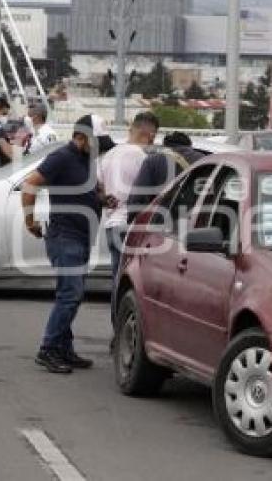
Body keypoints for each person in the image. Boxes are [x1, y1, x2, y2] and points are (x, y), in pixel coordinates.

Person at [21, 116, 100, 373]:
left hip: (82, 235)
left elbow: (87, 190)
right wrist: (29, 219)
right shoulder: (62, 157)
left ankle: (64, 348)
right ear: (81, 137)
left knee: (71, 296)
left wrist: (102, 198)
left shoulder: (86, 159)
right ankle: (48, 349)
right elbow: (30, 183)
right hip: (64, 236)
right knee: (70, 295)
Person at [98, 111, 159, 321]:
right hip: (129, 225)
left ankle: (116, 326)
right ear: (150, 134)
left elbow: (99, 188)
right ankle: (124, 327)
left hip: (111, 223)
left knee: (117, 279)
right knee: (132, 283)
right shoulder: (142, 158)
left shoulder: (109, 154)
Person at [127, 131, 204, 217]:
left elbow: (138, 196)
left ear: (165, 146)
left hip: (162, 220)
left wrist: (133, 219)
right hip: (198, 221)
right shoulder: (204, 160)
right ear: (190, 145)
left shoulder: (153, 161)